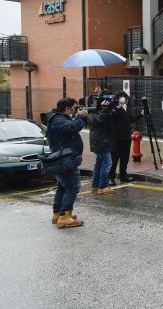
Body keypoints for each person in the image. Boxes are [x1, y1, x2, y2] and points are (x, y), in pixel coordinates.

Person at [46, 98, 87, 228]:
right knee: (73, 186)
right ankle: (64, 216)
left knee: (63, 186)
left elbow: (72, 127)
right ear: (67, 108)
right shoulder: (58, 119)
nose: (76, 110)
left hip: (64, 158)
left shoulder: (59, 118)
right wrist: (80, 117)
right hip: (65, 159)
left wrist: (78, 118)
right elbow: (73, 127)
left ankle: (58, 214)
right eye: (75, 108)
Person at [109, 90, 142, 186]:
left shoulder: (127, 107)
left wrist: (141, 114)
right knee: (114, 159)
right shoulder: (114, 107)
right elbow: (115, 117)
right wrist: (118, 108)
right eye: (121, 97)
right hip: (116, 137)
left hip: (126, 137)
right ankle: (111, 177)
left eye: (124, 96)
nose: (123, 98)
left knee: (125, 157)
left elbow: (130, 119)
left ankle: (123, 175)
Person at [88, 92, 115, 195]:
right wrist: (104, 109)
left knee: (99, 165)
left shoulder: (103, 111)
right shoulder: (92, 112)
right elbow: (99, 120)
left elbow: (110, 122)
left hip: (101, 141)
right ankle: (103, 187)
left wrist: (111, 109)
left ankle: (95, 186)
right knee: (107, 164)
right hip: (101, 142)